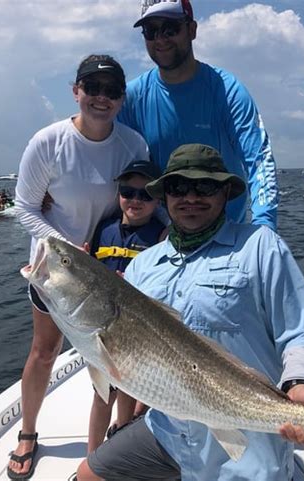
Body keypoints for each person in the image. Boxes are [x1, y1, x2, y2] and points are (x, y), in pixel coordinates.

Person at [76, 144, 304, 481]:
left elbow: (303, 332)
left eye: (205, 187)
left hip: (247, 438)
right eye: (179, 187)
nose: (190, 197)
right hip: (167, 430)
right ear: (165, 195)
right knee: (89, 474)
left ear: (226, 192)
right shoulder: (142, 266)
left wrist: (299, 383)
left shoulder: (259, 245)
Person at [8, 54, 149, 479]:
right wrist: (69, 248)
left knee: (121, 360)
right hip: (58, 272)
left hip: (114, 274)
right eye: (93, 88)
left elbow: (140, 200)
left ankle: (119, 433)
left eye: (111, 91)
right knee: (44, 351)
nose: (101, 97)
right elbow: (24, 207)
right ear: (76, 92)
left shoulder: (133, 145)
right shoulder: (47, 142)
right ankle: (28, 433)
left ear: (122, 99)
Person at [118, 0, 279, 230]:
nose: (160, 39)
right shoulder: (133, 97)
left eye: (170, 29)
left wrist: (265, 227)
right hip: (160, 235)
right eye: (151, 31)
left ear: (192, 30)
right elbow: (105, 154)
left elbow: (259, 161)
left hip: (226, 234)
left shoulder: (227, 91)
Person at [86, 159, 166, 453]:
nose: (135, 200)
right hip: (103, 327)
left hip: (136, 330)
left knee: (130, 388)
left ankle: (122, 433)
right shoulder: (103, 227)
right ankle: (92, 456)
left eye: (145, 194)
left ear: (157, 199)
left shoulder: (160, 234)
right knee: (101, 392)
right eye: (127, 192)